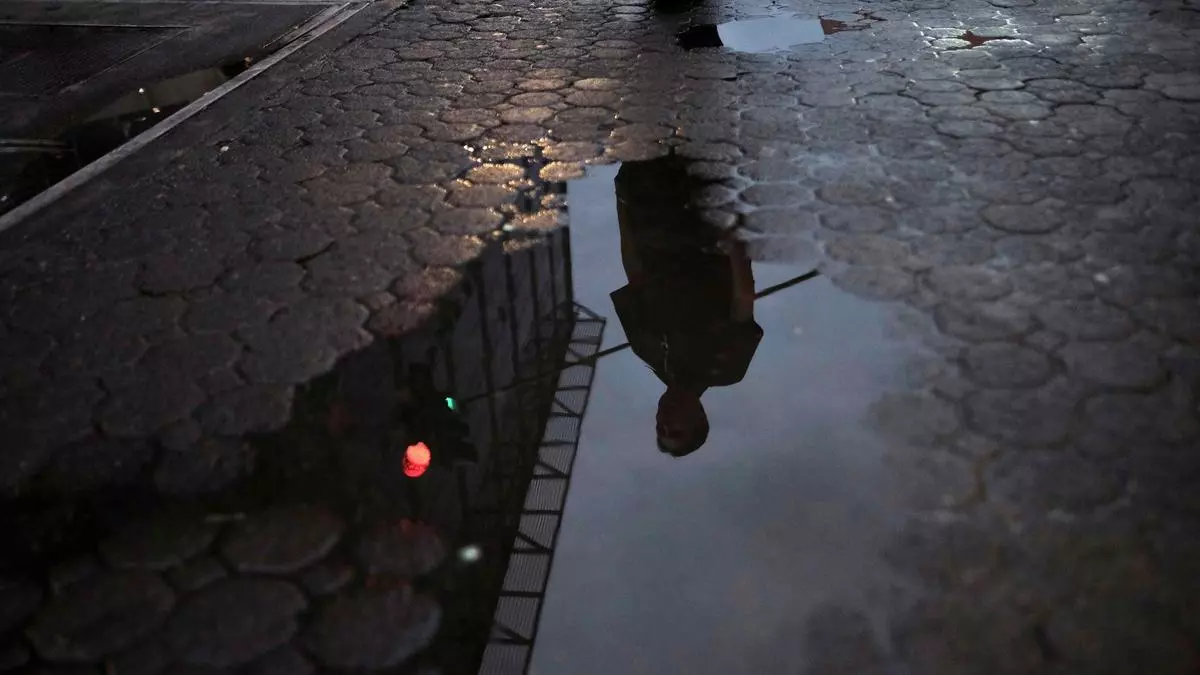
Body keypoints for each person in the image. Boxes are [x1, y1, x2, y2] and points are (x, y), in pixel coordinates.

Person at [609, 153, 763, 458]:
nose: (664, 422)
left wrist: (622, 203)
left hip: (649, 210)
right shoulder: (726, 368)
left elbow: (634, 272)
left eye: (660, 429)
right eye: (675, 430)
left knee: (647, 136)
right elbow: (743, 297)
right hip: (701, 225)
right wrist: (732, 229)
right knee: (696, 139)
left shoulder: (647, 350)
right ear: (699, 418)